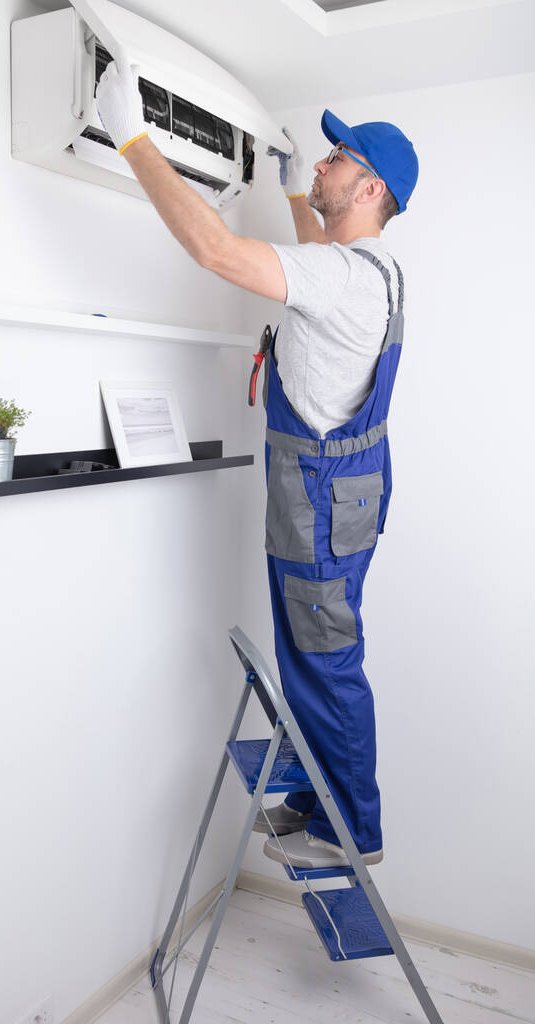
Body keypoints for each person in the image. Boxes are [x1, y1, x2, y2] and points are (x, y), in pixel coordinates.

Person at [95, 59, 418, 870]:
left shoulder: (342, 275)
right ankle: (316, 796)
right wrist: (292, 195)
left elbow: (213, 250)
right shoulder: (366, 271)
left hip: (317, 497)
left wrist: (132, 137)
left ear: (371, 189)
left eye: (337, 160)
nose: (321, 163)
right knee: (309, 647)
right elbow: (314, 259)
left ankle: (355, 834)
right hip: (337, 493)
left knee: (322, 656)